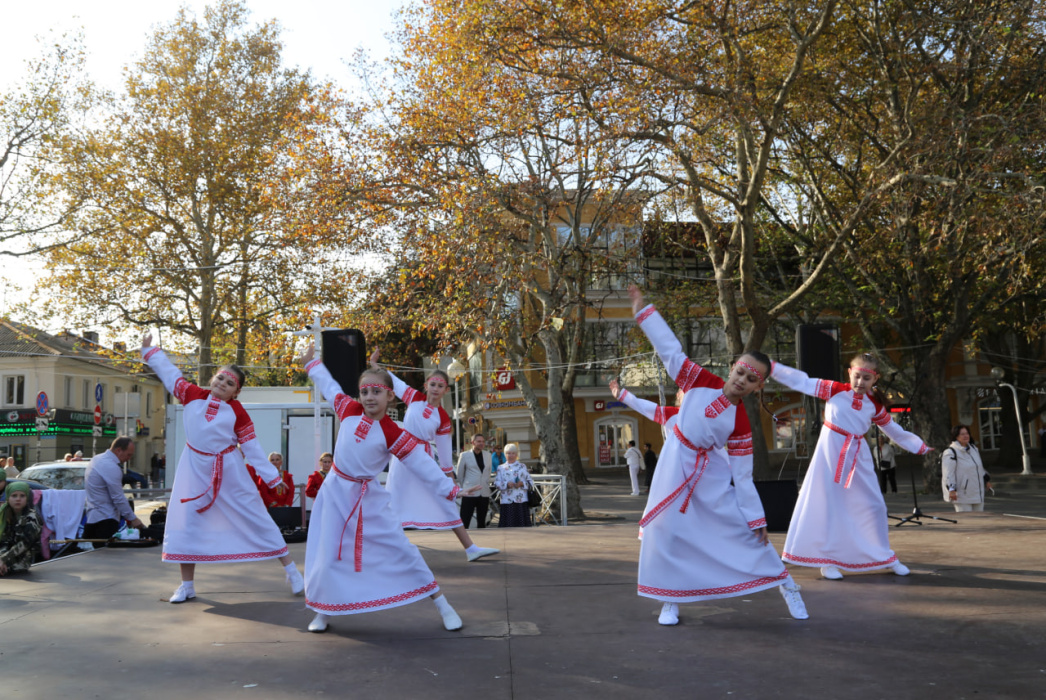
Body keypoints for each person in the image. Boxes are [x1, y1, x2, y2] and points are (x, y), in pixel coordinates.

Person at [628, 286, 807, 625]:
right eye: (741, 371)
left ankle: (787, 584)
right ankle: (670, 599)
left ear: (758, 387)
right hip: (673, 465)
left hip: (707, 475)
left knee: (743, 532)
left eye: (751, 378)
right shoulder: (699, 380)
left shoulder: (741, 424)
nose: (742, 379)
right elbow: (671, 352)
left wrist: (757, 520)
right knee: (665, 531)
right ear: (733, 367)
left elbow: (742, 477)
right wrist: (645, 314)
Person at [300, 344, 482, 633]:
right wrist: (312, 365)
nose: (369, 397)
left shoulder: (393, 432)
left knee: (401, 548)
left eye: (376, 392)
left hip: (368, 498)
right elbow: (329, 385)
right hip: (334, 494)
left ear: (390, 395)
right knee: (328, 552)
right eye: (364, 392)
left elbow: (422, 464)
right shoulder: (348, 409)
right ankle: (323, 611)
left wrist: (452, 490)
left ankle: (442, 604)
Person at [140, 333, 304, 604]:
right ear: (212, 378)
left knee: (255, 514)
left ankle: (291, 570)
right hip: (193, 468)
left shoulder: (238, 412)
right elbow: (171, 375)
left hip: (228, 470)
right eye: (220, 378)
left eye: (230, 383)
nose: (222, 384)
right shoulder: (191, 394)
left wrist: (273, 478)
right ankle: (186, 585)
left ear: (236, 392)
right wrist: (151, 352)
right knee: (187, 521)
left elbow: (252, 448)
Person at [770, 352, 931, 580]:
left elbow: (894, 430)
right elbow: (803, 382)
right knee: (828, 506)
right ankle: (827, 561)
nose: (860, 382)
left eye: (867, 378)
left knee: (873, 505)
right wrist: (772, 367)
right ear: (850, 373)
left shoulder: (874, 404)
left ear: (875, 379)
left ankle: (885, 556)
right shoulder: (833, 390)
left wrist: (919, 446)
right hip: (829, 453)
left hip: (858, 455)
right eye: (857, 376)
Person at [370, 350, 497, 561]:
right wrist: (375, 365)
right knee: (394, 500)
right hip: (403, 456)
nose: (435, 389)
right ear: (426, 385)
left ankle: (471, 549)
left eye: (440, 386)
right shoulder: (413, 397)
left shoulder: (443, 418)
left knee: (445, 500)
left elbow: (444, 447)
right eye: (433, 384)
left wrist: (449, 476)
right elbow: (393, 380)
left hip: (423, 457)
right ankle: (384, 550)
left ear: (446, 390)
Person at [83, 436, 146, 542]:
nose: (129, 458)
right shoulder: (111, 467)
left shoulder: (97, 459)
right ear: (118, 450)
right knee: (106, 554)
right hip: (106, 519)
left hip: (92, 516)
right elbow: (118, 497)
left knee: (92, 555)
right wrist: (134, 519)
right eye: (128, 454)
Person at [942, 424, 990, 512]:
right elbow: (948, 473)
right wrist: (951, 489)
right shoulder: (950, 452)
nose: (965, 436)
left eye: (967, 433)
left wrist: (986, 480)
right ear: (956, 436)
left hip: (977, 493)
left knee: (980, 521)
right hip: (962, 495)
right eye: (962, 434)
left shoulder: (974, 449)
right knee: (967, 521)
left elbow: (979, 468)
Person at [0, 481, 42, 576]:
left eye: (22, 496)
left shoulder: (32, 516)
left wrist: (3, 559)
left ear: (27, 498)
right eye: (14, 496)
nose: (18, 499)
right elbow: (4, 540)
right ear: (8, 498)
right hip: (6, 555)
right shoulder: (5, 514)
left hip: (22, 557)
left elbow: (25, 544)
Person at [456, 434, 495, 531]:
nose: (482, 443)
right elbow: (459, 475)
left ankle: (481, 542)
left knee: (482, 522)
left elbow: (488, 473)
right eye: (479, 441)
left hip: (484, 492)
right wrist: (465, 487)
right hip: (469, 492)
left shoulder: (488, 455)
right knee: (465, 520)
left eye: (483, 441)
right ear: (473, 442)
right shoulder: (464, 455)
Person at [494, 444, 533, 527]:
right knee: (508, 525)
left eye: (513, 453)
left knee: (522, 525)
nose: (511, 455)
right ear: (505, 454)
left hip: (521, 501)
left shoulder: (522, 466)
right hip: (507, 501)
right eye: (508, 453)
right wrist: (506, 485)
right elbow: (497, 484)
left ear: (516, 454)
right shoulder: (501, 468)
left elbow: (530, 483)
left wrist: (522, 484)